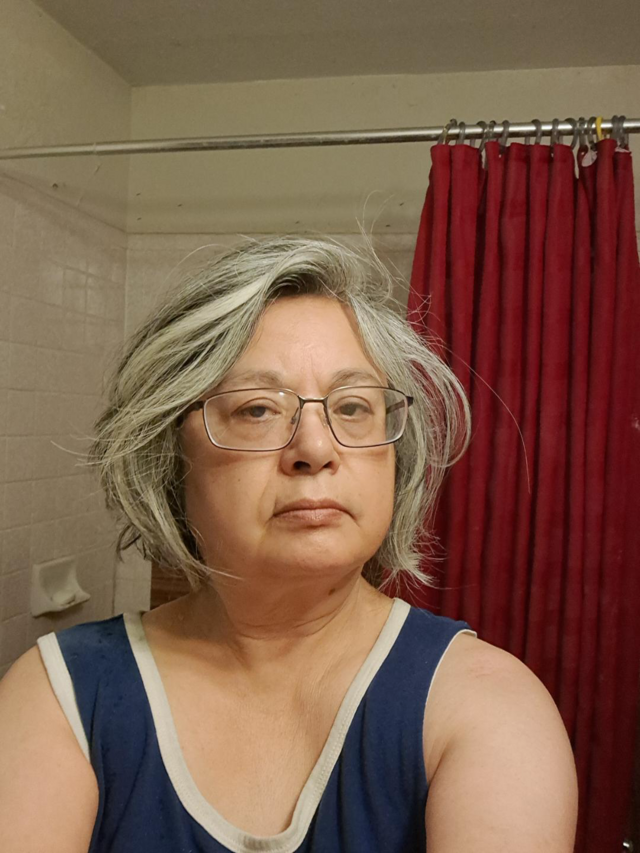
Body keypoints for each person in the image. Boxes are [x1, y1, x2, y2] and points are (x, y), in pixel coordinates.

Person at [0, 236, 578, 852]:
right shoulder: (60, 694)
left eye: (352, 407)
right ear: (169, 455)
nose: (316, 448)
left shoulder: (485, 707)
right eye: (256, 410)